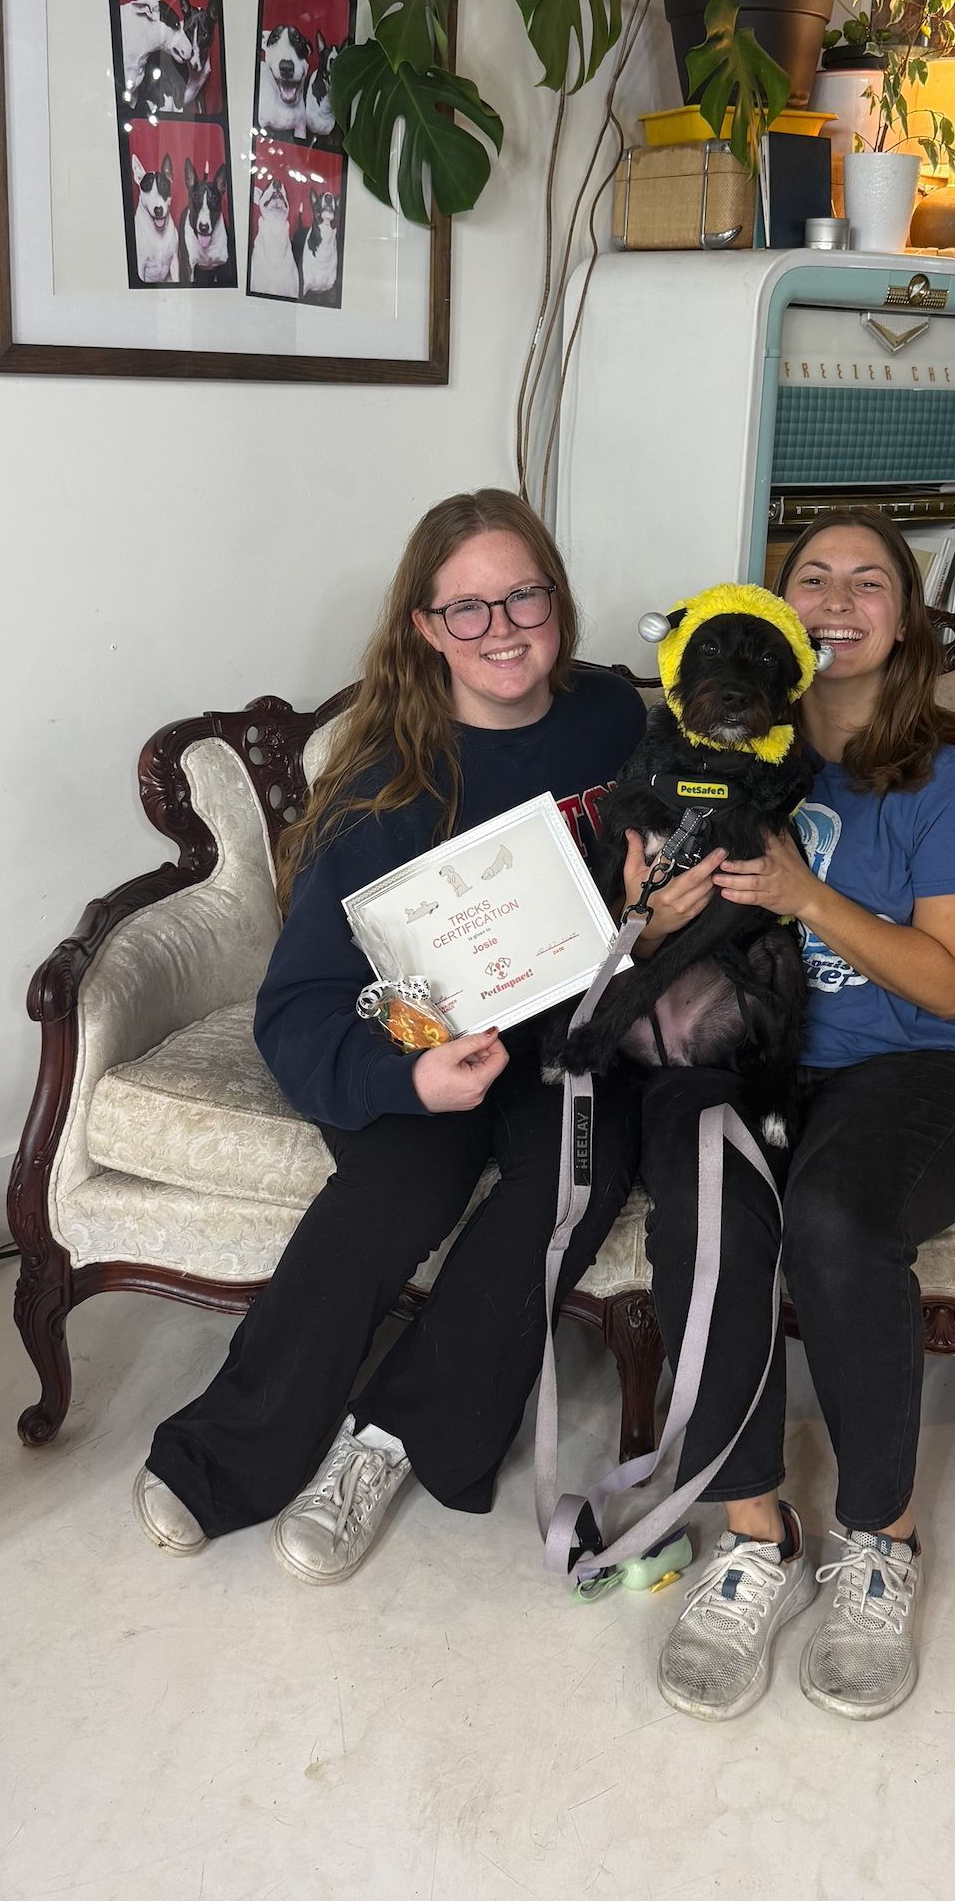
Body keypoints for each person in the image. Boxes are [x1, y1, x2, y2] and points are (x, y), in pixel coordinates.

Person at [134, 490, 646, 1583]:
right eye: (466, 608)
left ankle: (395, 1439)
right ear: (423, 626)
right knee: (397, 1190)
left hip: (572, 1035)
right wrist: (409, 1077)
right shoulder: (388, 786)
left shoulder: (616, 719)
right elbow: (298, 1006)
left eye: (523, 594)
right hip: (417, 1042)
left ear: (557, 599)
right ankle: (226, 1450)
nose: (501, 626)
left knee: (577, 1170)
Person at [637, 511, 955, 1722]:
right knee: (702, 1197)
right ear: (770, 614)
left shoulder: (954, 767)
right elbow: (644, 938)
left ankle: (880, 1540)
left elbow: (950, 979)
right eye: (813, 577)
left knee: (839, 1218)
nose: (840, 598)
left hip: (914, 1067)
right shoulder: (705, 744)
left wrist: (805, 893)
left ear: (903, 616)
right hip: (747, 1052)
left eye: (871, 581)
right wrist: (662, 911)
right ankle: (752, 1531)